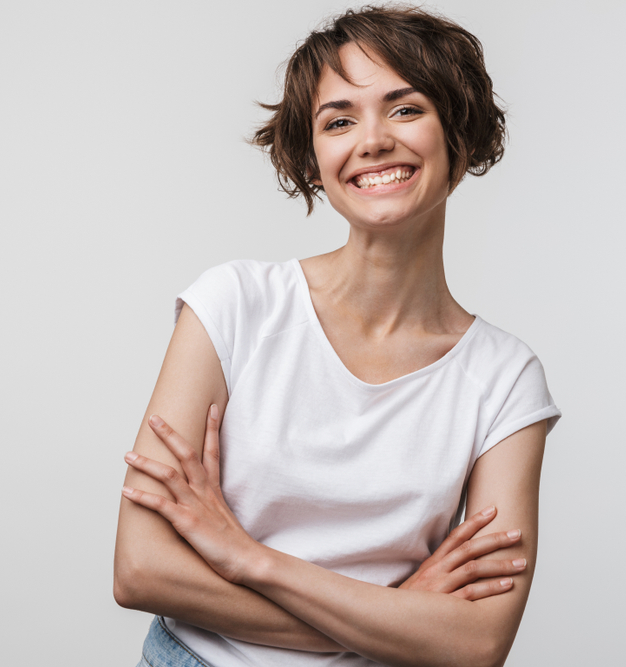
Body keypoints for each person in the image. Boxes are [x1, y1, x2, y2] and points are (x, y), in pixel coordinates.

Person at [113, 6, 560, 666]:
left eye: (405, 109)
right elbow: (140, 569)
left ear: (459, 139)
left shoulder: (504, 379)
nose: (372, 139)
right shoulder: (234, 304)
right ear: (315, 162)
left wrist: (247, 557)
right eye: (339, 120)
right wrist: (401, 607)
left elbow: (477, 641)